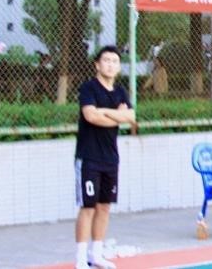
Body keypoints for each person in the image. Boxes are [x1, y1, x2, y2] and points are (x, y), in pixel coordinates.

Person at [75, 46, 136, 269]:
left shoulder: (120, 92)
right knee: (88, 208)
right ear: (97, 64)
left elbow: (131, 116)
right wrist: (117, 115)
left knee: (104, 207)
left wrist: (106, 112)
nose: (110, 64)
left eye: (114, 61)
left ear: (118, 67)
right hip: (89, 157)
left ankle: (97, 255)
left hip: (111, 159)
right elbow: (90, 116)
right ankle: (81, 258)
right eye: (106, 60)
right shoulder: (88, 88)